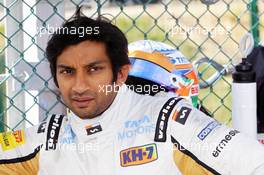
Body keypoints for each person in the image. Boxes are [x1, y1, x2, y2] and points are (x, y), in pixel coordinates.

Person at [0, 7, 264, 175]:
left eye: (94, 70)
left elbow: (254, 162)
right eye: (67, 71)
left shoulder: (170, 122)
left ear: (121, 73)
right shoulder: (48, 137)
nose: (79, 86)